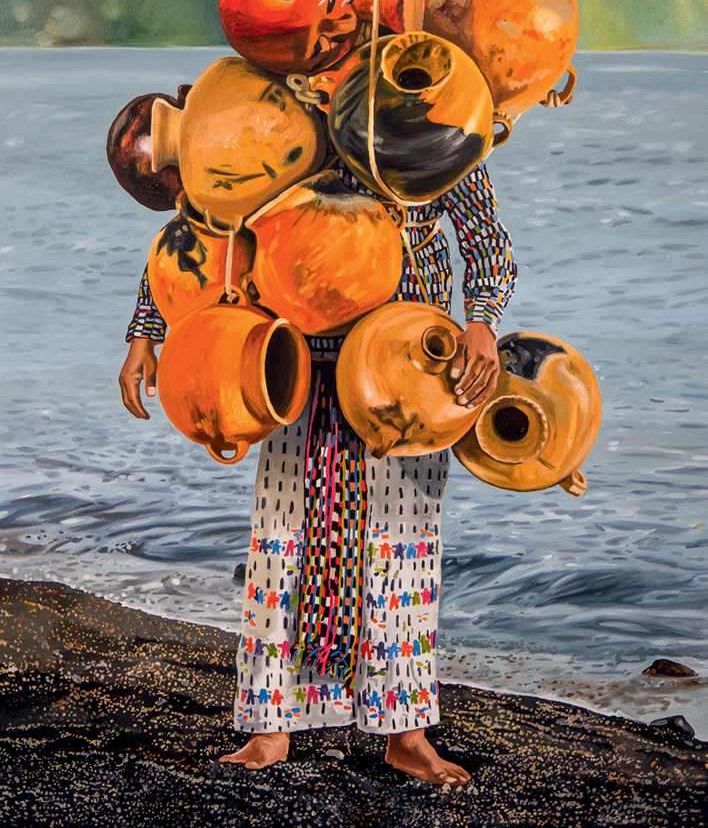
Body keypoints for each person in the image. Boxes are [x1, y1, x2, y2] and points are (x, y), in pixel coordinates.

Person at [120, 159, 516, 785]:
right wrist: (148, 330)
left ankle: (405, 734)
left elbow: (485, 234)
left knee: (404, 548)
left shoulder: (439, 104)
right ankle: (270, 726)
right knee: (284, 541)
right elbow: (202, 222)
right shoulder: (277, 108)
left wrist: (483, 322)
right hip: (288, 351)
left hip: (411, 361)